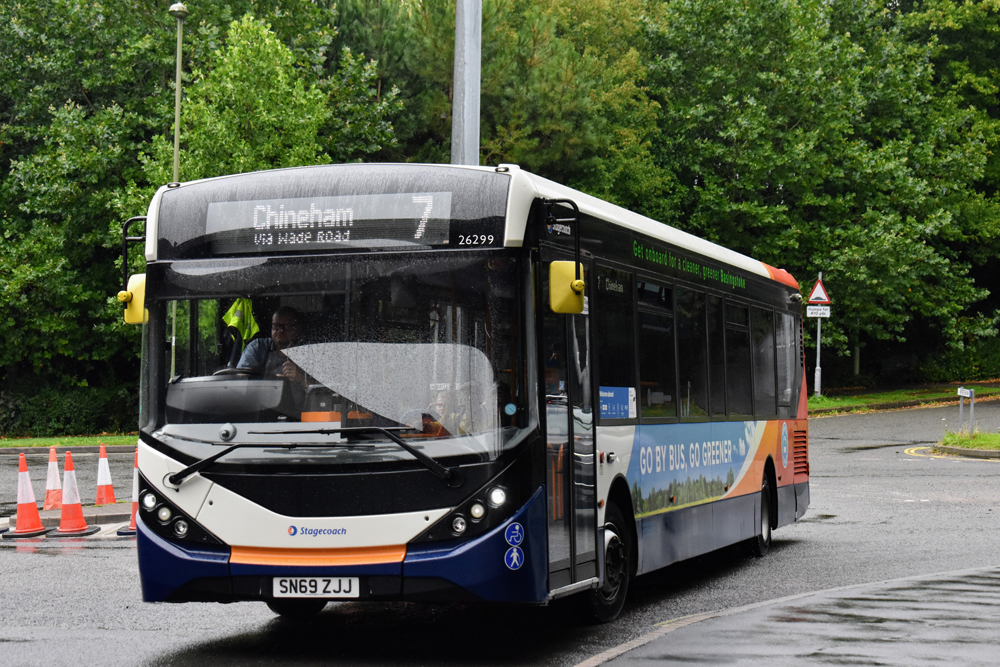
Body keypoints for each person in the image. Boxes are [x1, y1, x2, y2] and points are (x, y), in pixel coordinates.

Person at [237, 306, 307, 386]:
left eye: (287, 327)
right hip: (261, 393)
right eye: (276, 326)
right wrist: (253, 375)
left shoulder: (307, 353)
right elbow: (240, 377)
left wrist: (300, 378)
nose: (280, 331)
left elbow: (317, 389)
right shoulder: (258, 347)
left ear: (297, 329)